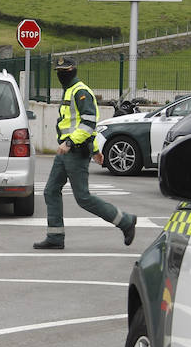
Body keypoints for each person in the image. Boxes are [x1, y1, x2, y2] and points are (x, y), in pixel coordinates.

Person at [35, 57, 136, 249]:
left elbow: (89, 124)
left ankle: (126, 221)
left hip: (74, 151)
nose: (60, 74)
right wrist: (96, 150)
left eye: (63, 71)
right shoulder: (70, 90)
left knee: (83, 198)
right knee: (50, 191)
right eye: (58, 71)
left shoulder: (81, 92)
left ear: (73, 71)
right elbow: (78, 124)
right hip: (66, 151)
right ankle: (55, 236)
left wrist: (72, 142)